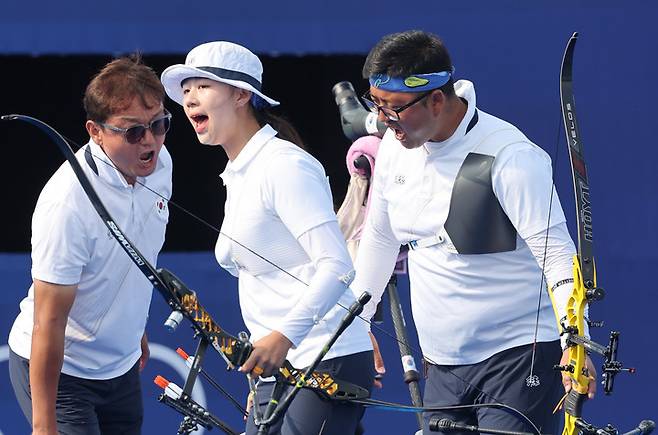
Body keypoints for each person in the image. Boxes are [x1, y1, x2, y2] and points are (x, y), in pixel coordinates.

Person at [349, 30, 596, 434]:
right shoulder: (394, 147)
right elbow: (379, 238)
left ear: (436, 99)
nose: (382, 120)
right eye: (375, 105)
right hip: (442, 365)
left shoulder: (510, 156)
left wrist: (575, 339)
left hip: (520, 360)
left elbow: (556, 254)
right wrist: (357, 326)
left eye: (393, 109)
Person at [160, 41, 374, 435]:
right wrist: (267, 367)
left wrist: (283, 339)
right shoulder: (240, 173)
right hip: (279, 368)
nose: (189, 98)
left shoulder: (285, 166)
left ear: (242, 95)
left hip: (325, 358)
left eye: (203, 86)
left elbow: (336, 265)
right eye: (186, 89)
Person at [8, 56, 173, 435]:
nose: (150, 141)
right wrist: (43, 425)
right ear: (95, 132)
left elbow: (132, 258)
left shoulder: (162, 166)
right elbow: (48, 322)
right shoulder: (66, 203)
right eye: (133, 132)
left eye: (160, 125)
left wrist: (133, 326)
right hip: (65, 373)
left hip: (122, 367)